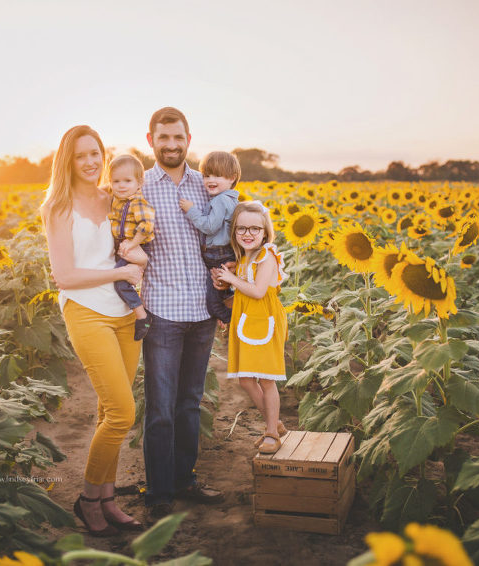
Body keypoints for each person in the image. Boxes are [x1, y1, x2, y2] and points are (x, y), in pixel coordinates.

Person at [40, 125, 145, 536]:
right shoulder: (58, 208)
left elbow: (140, 234)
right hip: (86, 311)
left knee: (109, 411)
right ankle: (87, 499)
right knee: (122, 412)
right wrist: (121, 271)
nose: (90, 162)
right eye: (80, 155)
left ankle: (107, 499)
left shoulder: (113, 197)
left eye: (95, 153)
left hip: (123, 312)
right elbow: (64, 276)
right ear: (67, 160)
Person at [140, 107, 223, 519]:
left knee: (190, 402)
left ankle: (184, 480)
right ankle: (158, 490)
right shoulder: (137, 187)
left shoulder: (207, 185)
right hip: (162, 313)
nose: (171, 145)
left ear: (188, 139)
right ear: (150, 140)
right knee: (160, 407)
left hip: (203, 311)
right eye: (163, 138)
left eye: (178, 138)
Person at [214, 201, 289, 454]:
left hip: (266, 318)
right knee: (246, 379)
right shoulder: (245, 257)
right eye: (241, 228)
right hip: (247, 320)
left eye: (255, 229)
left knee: (267, 380)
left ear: (265, 232)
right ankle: (275, 421)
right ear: (234, 232)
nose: (248, 234)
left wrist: (232, 279)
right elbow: (242, 293)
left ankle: (270, 432)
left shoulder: (267, 256)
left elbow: (257, 292)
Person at [179, 151, 241, 325]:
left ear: (232, 178)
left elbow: (209, 226)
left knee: (213, 305)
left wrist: (191, 210)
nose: (210, 180)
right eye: (206, 175)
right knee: (223, 293)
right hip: (223, 254)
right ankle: (234, 310)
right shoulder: (230, 199)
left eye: (218, 175)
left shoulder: (221, 200)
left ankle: (236, 321)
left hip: (218, 256)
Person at [107, 154, 155, 340]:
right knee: (121, 279)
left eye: (127, 180)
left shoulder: (138, 202)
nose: (121, 185)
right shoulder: (117, 200)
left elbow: (146, 226)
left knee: (120, 281)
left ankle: (142, 316)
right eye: (116, 181)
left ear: (139, 182)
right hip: (126, 246)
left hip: (138, 247)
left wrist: (132, 245)